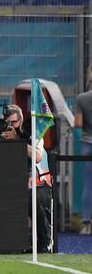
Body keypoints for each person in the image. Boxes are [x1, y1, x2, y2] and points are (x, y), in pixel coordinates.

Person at [0, 104, 52, 253]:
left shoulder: (32, 133)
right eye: (6, 123)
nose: (9, 127)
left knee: (33, 198)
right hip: (11, 185)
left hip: (37, 184)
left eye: (14, 123)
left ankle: (44, 243)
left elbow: (37, 156)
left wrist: (17, 140)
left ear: (21, 121)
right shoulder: (0, 135)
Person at [74, 66, 92, 235]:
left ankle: (86, 223)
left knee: (87, 185)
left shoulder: (82, 98)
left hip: (87, 143)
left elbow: (78, 123)